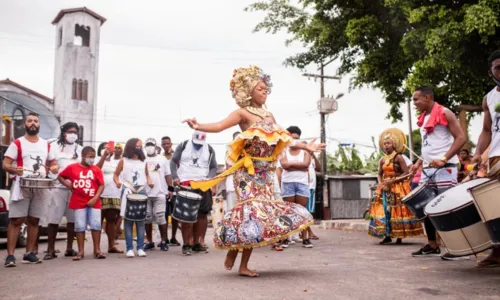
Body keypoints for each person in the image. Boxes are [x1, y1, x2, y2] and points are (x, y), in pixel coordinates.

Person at [182, 65, 323, 277]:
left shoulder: (269, 115)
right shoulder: (242, 113)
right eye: (260, 88)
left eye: (266, 88)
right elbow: (220, 126)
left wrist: (306, 147)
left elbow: (285, 137)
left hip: (266, 173)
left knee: (260, 216)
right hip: (248, 173)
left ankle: (240, 260)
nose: (265, 91)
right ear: (248, 91)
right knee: (251, 214)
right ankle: (236, 256)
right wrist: (198, 125)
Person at [409, 86, 466, 260]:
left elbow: (461, 138)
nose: (414, 103)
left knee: (447, 207)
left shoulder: (445, 112)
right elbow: (428, 144)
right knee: (426, 206)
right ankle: (432, 244)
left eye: (416, 99)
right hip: (427, 169)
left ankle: (459, 248)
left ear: (427, 98)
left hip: (445, 167)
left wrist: (444, 158)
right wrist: (418, 163)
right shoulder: (424, 117)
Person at [3, 112, 58, 267]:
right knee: (16, 220)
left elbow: (53, 163)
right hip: (22, 185)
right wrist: (14, 170)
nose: (33, 123)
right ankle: (10, 256)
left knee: (34, 220)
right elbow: (6, 164)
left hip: (40, 185)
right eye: (29, 121)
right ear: (25, 124)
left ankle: (29, 254)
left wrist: (54, 167)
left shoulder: (46, 144)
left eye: (35, 121)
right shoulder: (18, 143)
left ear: (38, 124)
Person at [471, 50, 500, 268]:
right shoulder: (488, 98)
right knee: (493, 206)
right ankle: (497, 251)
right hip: (496, 157)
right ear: (490, 72)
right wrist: (477, 153)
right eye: (498, 67)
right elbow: (486, 130)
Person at [368, 128, 423, 244]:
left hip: (398, 187)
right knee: (385, 210)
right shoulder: (382, 160)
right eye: (384, 144)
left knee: (397, 210)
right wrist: (381, 183)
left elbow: (407, 172)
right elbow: (379, 174)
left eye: (388, 143)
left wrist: (393, 180)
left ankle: (399, 236)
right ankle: (387, 235)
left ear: (394, 145)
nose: (386, 146)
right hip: (385, 188)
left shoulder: (399, 157)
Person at [170, 131, 217, 255]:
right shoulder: (183, 145)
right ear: (192, 138)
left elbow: (213, 167)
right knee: (186, 215)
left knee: (202, 215)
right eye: (196, 143)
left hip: (203, 185)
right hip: (186, 184)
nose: (198, 146)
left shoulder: (209, 149)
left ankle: (197, 243)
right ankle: (186, 244)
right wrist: (175, 177)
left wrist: (210, 179)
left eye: (200, 144)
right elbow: (173, 161)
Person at [58, 146, 105, 260]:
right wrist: (68, 184)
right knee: (79, 226)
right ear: (83, 156)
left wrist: (95, 198)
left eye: (93, 157)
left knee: (96, 226)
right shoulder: (72, 168)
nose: (92, 159)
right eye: (90, 157)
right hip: (78, 201)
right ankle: (80, 251)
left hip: (94, 201)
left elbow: (101, 185)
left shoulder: (96, 169)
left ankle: (97, 250)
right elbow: (60, 176)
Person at [44, 122, 82, 260]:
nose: (73, 135)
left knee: (72, 220)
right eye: (70, 132)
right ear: (64, 132)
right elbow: (48, 164)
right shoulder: (54, 147)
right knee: (54, 218)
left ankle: (70, 248)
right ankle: (50, 249)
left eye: (75, 132)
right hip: (57, 187)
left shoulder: (80, 149)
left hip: (75, 189)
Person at [114, 138, 152, 258]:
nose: (139, 148)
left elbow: (146, 175)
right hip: (128, 189)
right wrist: (117, 182)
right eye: (137, 146)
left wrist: (149, 182)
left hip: (141, 190)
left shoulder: (143, 162)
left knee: (141, 221)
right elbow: (116, 174)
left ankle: (140, 248)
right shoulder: (123, 161)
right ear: (131, 147)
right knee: (128, 220)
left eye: (141, 146)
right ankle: (129, 248)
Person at [280, 127, 313, 248]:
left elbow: (306, 165)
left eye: (297, 138)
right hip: (288, 183)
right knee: (288, 211)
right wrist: (298, 166)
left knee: (302, 211)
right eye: (292, 138)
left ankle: (305, 238)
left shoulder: (305, 152)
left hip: (302, 183)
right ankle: (286, 238)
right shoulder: (283, 151)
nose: (294, 140)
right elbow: (284, 165)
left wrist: (290, 165)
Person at [143, 138, 172, 251]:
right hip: (146, 194)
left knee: (161, 217)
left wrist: (171, 189)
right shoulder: (142, 160)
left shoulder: (162, 159)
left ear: (155, 146)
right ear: (145, 147)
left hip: (160, 192)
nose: (150, 147)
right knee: (147, 218)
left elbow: (168, 175)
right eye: (148, 145)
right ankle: (150, 241)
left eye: (152, 145)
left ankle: (164, 241)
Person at [96, 142, 124, 253]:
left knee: (111, 221)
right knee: (98, 221)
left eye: (109, 149)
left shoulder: (115, 162)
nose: (108, 150)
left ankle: (111, 245)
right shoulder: (97, 159)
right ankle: (97, 248)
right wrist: (103, 156)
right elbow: (96, 170)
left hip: (114, 193)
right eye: (105, 148)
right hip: (100, 194)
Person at [161, 136, 180, 246]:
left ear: (171, 144)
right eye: (164, 144)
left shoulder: (176, 155)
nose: (166, 145)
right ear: (161, 145)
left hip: (175, 188)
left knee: (175, 215)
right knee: (164, 214)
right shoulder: (160, 157)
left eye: (168, 143)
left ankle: (173, 237)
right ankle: (165, 238)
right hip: (164, 189)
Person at [225, 131, 241, 211]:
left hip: (243, 188)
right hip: (232, 186)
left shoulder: (246, 153)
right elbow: (229, 168)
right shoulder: (229, 152)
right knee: (232, 211)